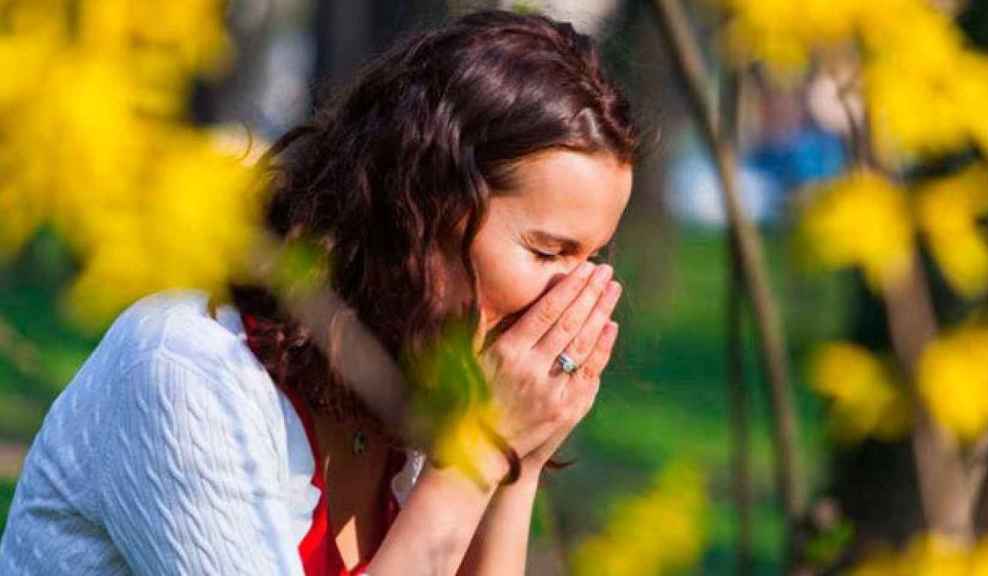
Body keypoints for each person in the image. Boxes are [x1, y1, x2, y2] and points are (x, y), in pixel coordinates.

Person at [0, 9, 637, 575]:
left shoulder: (418, 383)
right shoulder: (186, 371)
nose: (579, 291)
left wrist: (513, 464)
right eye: (549, 252)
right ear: (420, 215)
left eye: (592, 257)